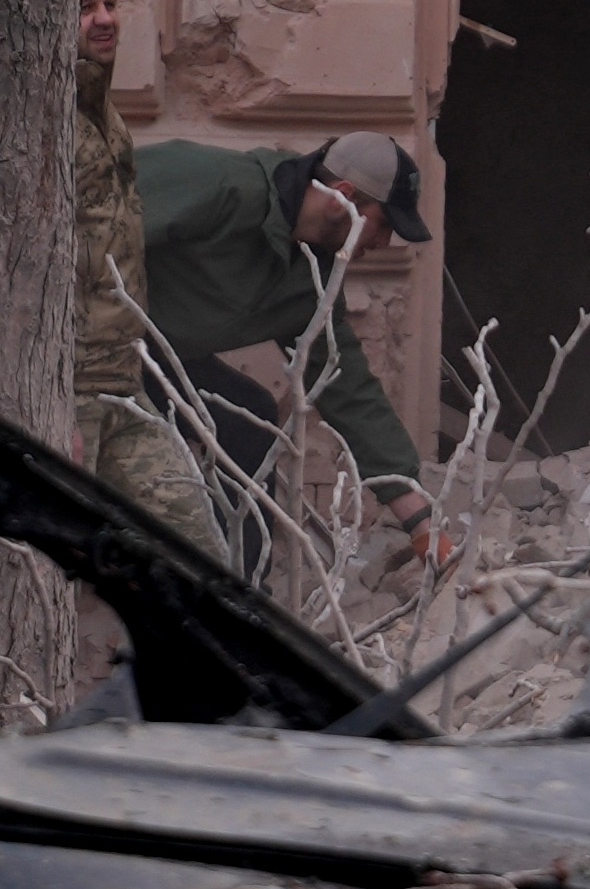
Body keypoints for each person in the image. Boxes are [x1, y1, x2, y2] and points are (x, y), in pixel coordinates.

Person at [134, 125, 440, 572]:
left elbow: (345, 385)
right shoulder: (219, 183)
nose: (382, 244)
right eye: (384, 224)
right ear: (345, 196)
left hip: (147, 361)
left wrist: (420, 522)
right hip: (75, 342)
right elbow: (85, 220)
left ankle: (235, 598)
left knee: (248, 419)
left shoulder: (308, 278)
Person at [68, 0, 216, 550]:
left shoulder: (104, 112)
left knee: (195, 554)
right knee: (31, 580)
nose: (104, 19)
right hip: (62, 393)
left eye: (110, 3)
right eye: (84, 8)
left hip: (123, 384)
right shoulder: (32, 118)